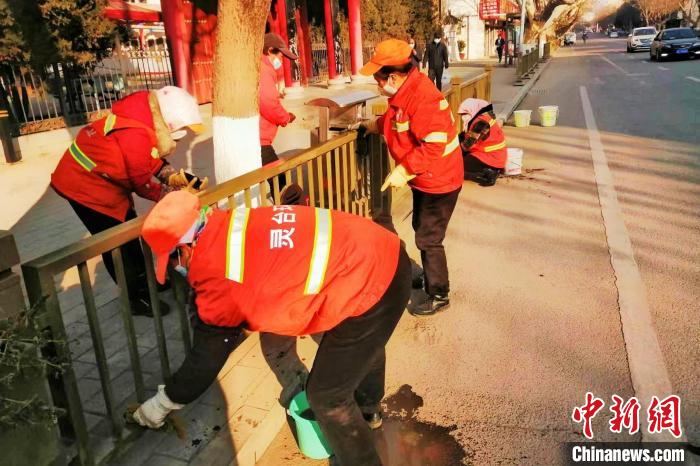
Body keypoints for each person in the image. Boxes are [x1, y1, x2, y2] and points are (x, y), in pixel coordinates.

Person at [132, 188, 411, 466]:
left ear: (185, 248)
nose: (177, 269)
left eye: (172, 260)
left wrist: (162, 403)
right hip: (383, 251)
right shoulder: (230, 221)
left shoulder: (219, 279)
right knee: (365, 347)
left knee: (326, 395)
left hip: (371, 282)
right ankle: (368, 411)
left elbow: (206, 358)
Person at [51, 86, 207, 316]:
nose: (183, 134)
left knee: (131, 235)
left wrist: (172, 176)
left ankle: (146, 283)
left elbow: (147, 158)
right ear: (170, 122)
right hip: (84, 189)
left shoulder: (144, 119)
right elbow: (140, 181)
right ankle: (136, 298)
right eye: (182, 129)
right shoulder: (135, 131)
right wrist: (169, 193)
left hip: (103, 183)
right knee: (117, 244)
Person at [356, 39, 463, 316]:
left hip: (439, 181)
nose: (377, 85)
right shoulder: (404, 93)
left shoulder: (422, 96)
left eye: (378, 78)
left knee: (429, 238)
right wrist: (371, 126)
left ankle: (438, 293)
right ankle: (429, 276)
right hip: (425, 178)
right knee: (421, 227)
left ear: (391, 76)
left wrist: (403, 171)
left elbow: (433, 144)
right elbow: (395, 123)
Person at [260, 33, 297, 191]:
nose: (281, 61)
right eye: (280, 56)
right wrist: (286, 117)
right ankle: (286, 210)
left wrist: (280, 83)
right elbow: (268, 103)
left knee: (273, 179)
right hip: (259, 138)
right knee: (279, 181)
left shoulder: (265, 66)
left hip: (261, 135)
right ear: (269, 51)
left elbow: (279, 72)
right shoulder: (263, 71)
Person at [458, 98, 508, 187]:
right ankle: (491, 170)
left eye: (465, 114)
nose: (463, 117)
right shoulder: (482, 118)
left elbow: (467, 145)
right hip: (497, 156)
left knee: (458, 166)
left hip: (491, 158)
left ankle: (487, 173)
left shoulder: (479, 124)